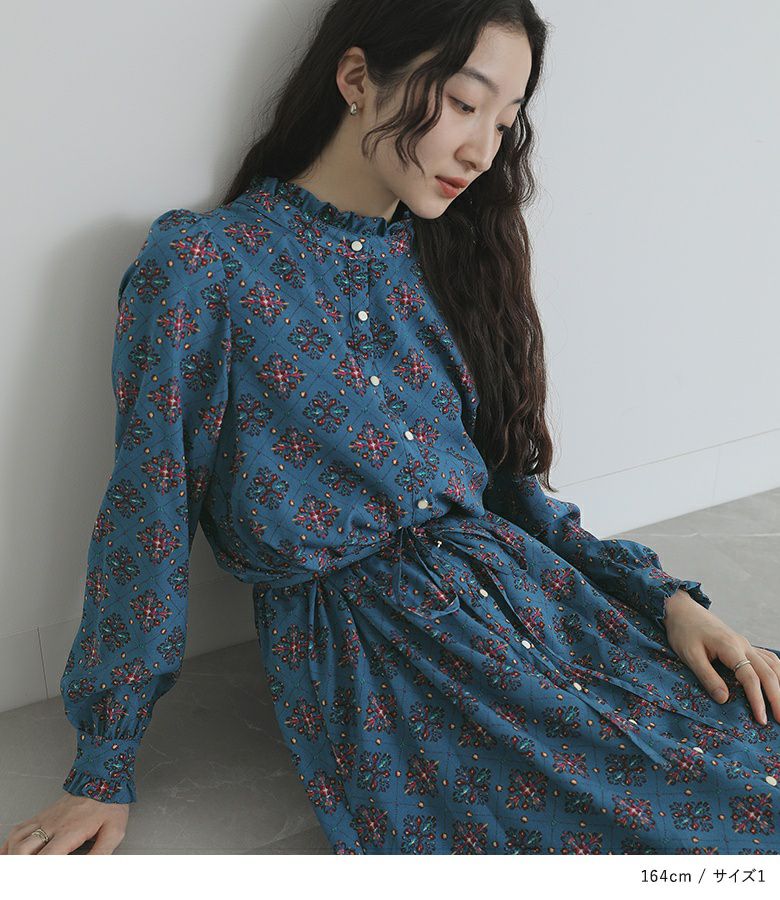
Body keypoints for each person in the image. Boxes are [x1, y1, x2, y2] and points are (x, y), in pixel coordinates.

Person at [3, 0, 779, 856]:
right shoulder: (202, 266)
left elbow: (509, 493)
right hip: (395, 666)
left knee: (747, 736)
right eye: (464, 103)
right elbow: (146, 514)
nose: (481, 151)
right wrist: (102, 767)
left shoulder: (446, 257)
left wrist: (665, 600)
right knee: (700, 830)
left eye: (504, 122)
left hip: (537, 604)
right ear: (356, 78)